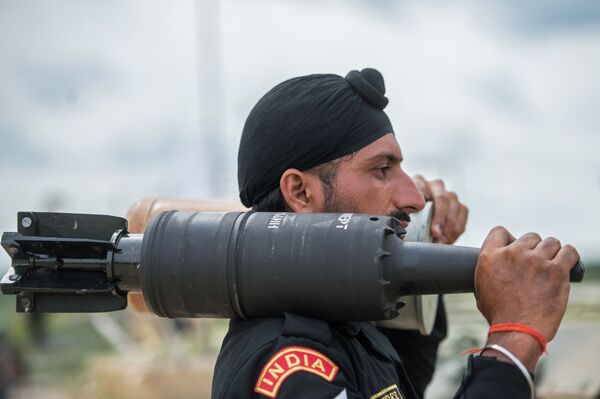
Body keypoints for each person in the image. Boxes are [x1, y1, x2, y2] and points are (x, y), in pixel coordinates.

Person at [211, 68, 579, 398]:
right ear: (301, 192)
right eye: (382, 170)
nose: (415, 198)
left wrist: (422, 250)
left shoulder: (343, 325)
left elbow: (408, 380)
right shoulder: (286, 364)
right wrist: (512, 342)